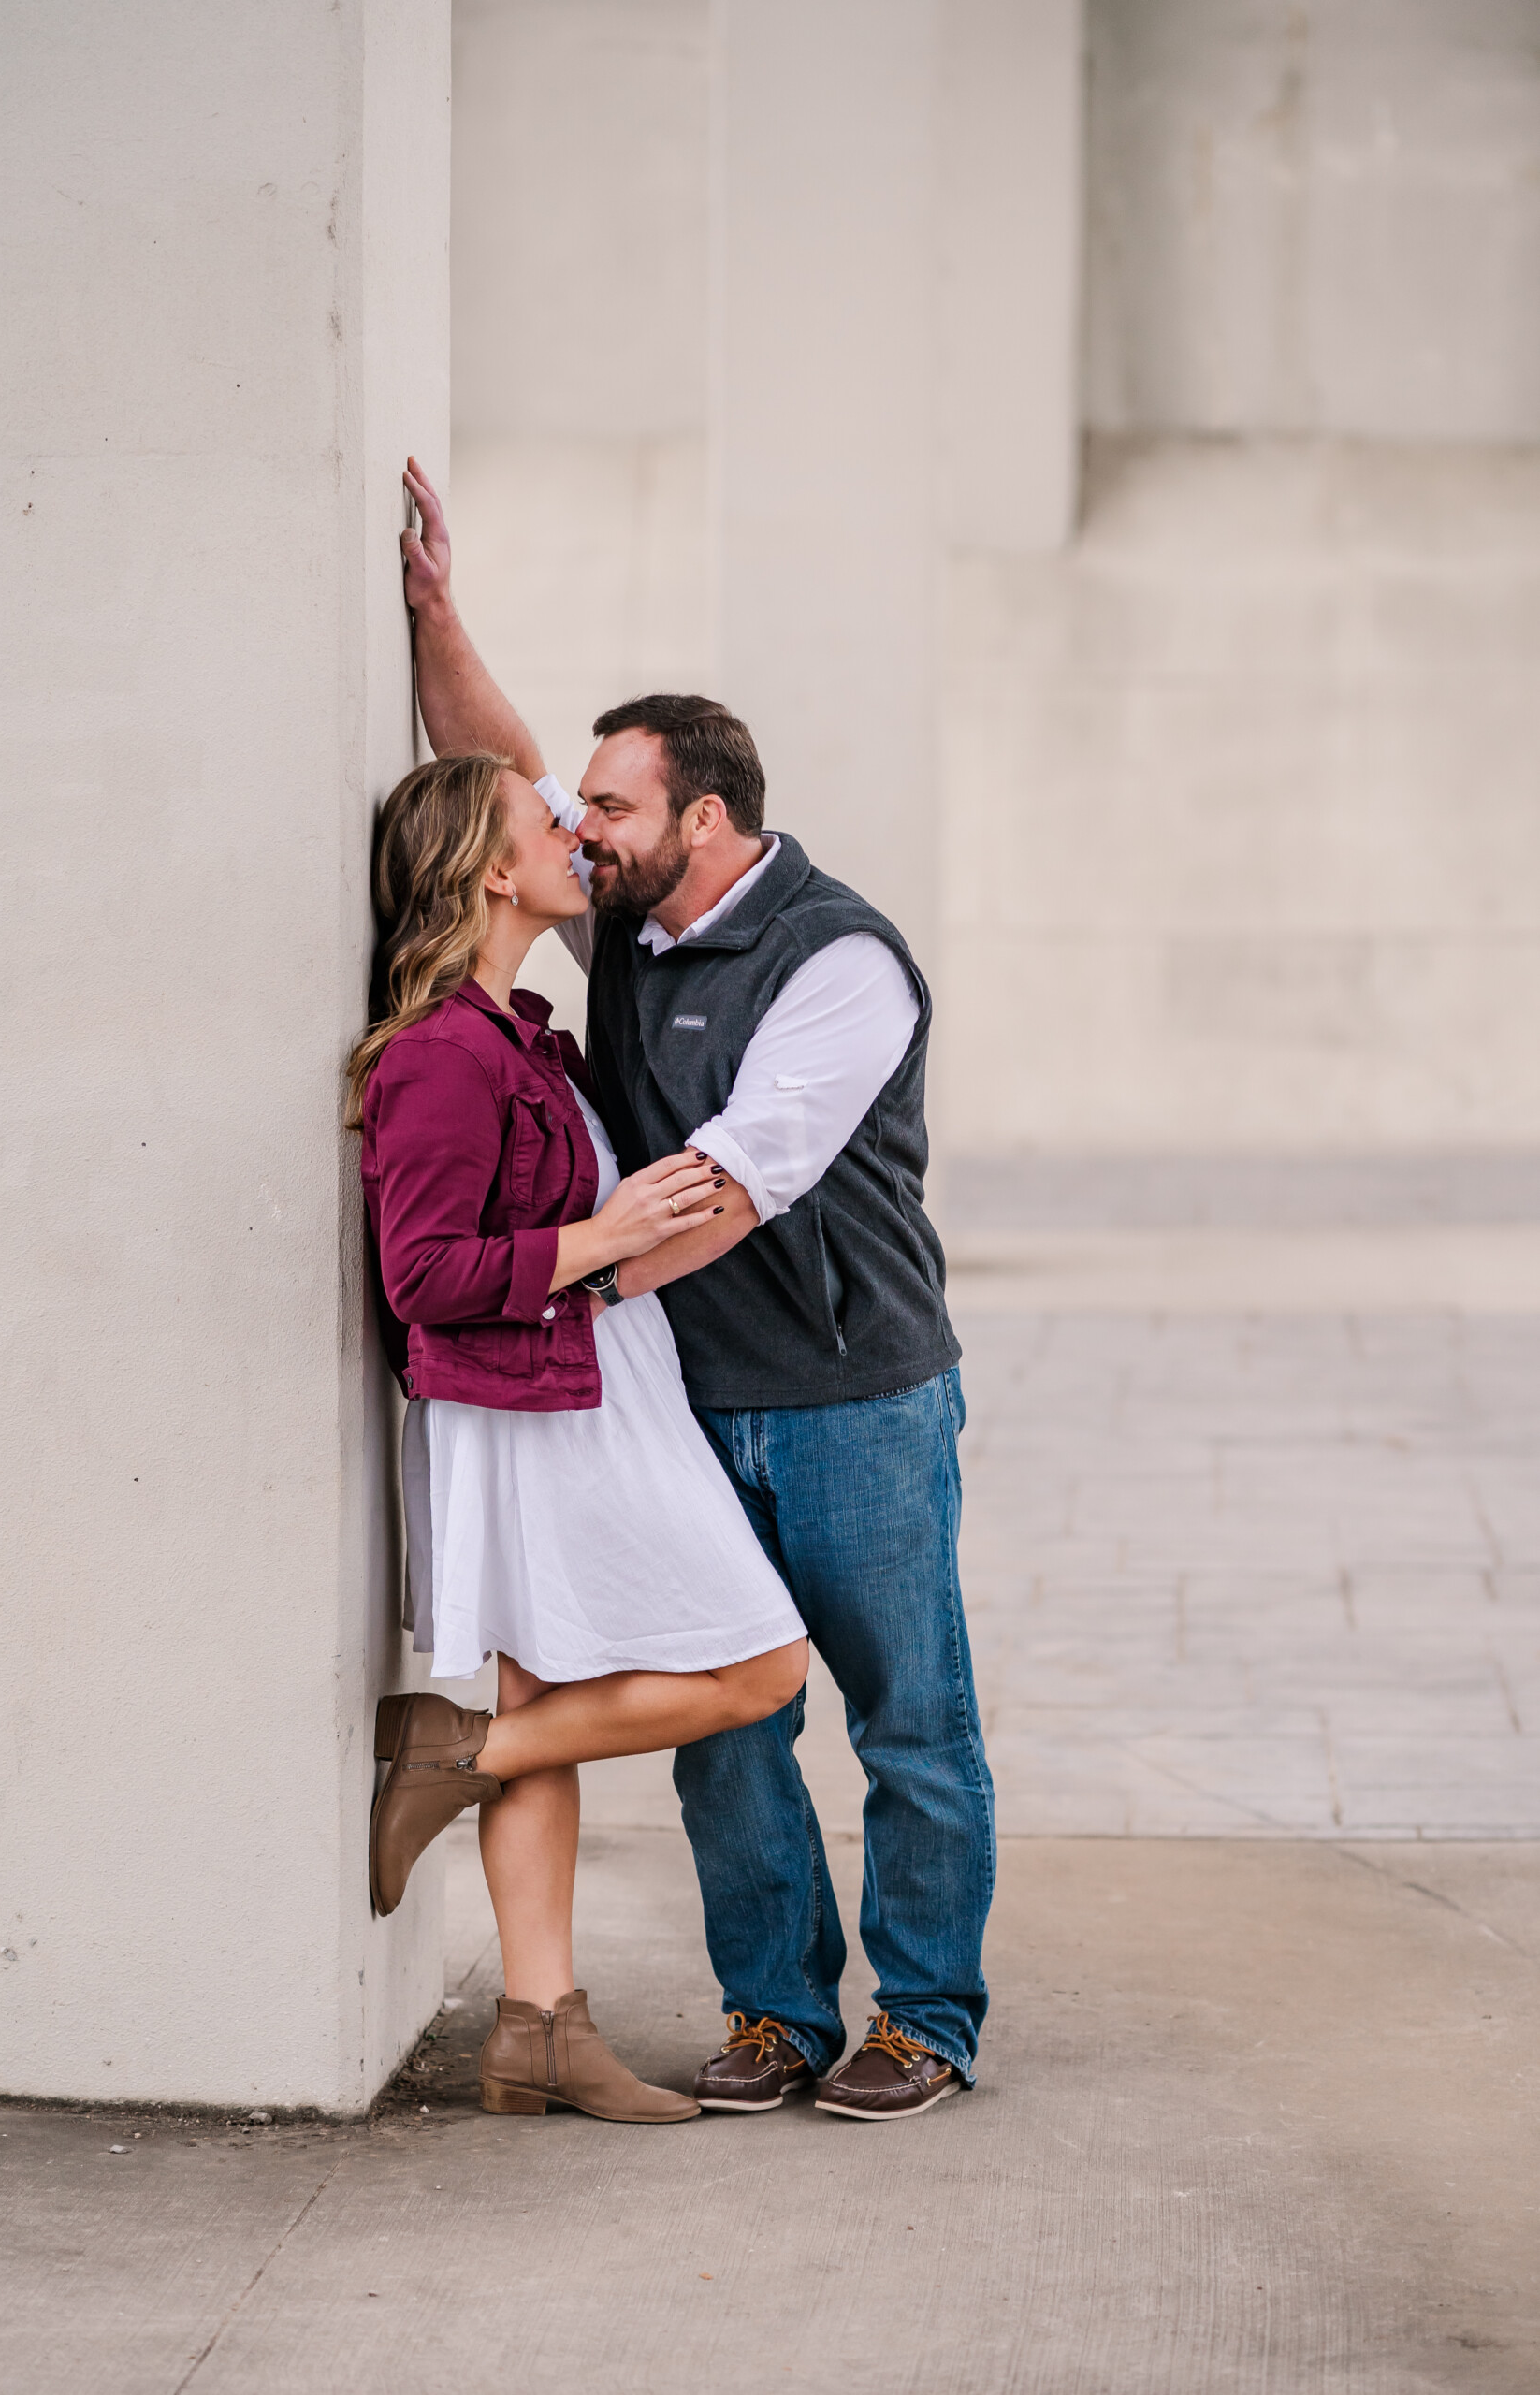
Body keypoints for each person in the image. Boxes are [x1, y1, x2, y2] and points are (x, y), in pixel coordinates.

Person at [396, 459, 995, 2125]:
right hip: (686, 1394)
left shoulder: (839, 962)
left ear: (707, 823)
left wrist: (548, 1288)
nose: (582, 827)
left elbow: (732, 1188)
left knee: (907, 1719)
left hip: (855, 1390)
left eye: (616, 809)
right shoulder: (631, 925)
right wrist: (438, 616)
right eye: (581, 815)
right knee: (727, 1729)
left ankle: (927, 2021)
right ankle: (776, 2015)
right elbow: (500, 767)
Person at [348, 750, 808, 2126]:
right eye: (547, 820)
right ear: (494, 871)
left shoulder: (521, 1033)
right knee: (762, 1665)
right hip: (539, 1412)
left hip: (583, 1385)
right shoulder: (440, 1052)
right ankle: (450, 1755)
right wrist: (605, 1237)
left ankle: (539, 2025)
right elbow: (422, 1272)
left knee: (549, 1713)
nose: (572, 831)